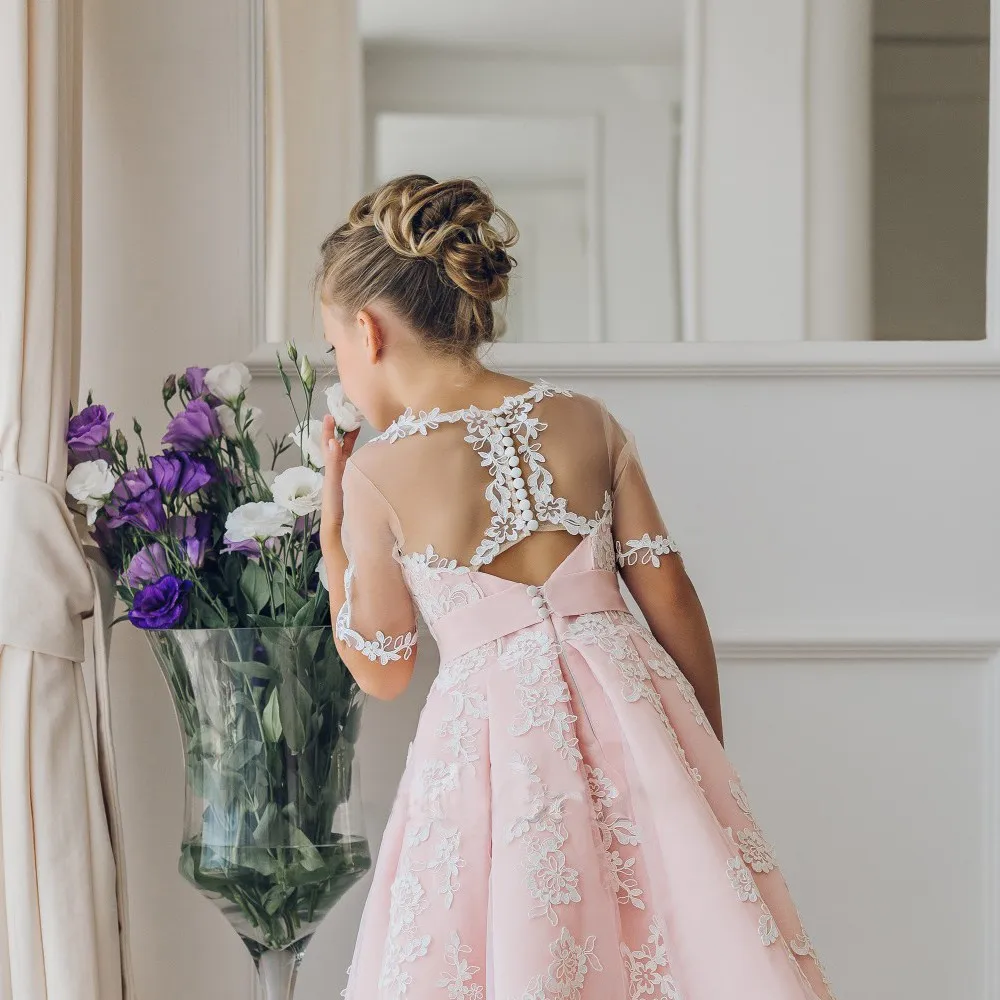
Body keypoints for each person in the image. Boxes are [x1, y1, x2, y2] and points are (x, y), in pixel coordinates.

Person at [317, 174, 835, 1000]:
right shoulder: (588, 420)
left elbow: (382, 668)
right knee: (677, 941)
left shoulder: (376, 474)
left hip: (497, 758)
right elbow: (671, 597)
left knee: (531, 940)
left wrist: (332, 536)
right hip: (635, 717)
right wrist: (701, 756)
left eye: (335, 348)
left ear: (368, 334)